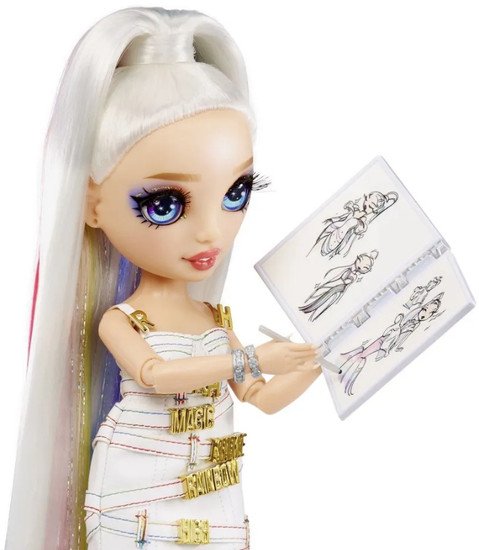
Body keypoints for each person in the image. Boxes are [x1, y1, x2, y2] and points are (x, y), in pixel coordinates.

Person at [5, 7, 322, 549]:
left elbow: (261, 397)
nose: (210, 233)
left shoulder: (213, 319)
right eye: (164, 204)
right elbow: (155, 375)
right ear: (92, 204)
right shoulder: (122, 321)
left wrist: (319, 360)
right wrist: (251, 358)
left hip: (210, 497)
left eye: (236, 194)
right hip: (138, 493)